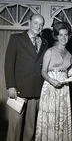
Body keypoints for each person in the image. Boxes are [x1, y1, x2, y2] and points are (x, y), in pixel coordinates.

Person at [4, 13, 48, 141]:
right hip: (18, 91)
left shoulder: (44, 42)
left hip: (36, 91)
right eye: (36, 23)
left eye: (41, 24)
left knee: (30, 128)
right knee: (15, 127)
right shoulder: (16, 38)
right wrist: (11, 86)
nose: (38, 27)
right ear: (29, 23)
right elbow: (9, 64)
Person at [35, 22, 72, 141]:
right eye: (60, 35)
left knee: (62, 117)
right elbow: (43, 71)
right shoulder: (49, 51)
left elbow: (67, 73)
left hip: (64, 89)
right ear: (56, 36)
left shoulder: (69, 54)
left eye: (66, 34)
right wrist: (52, 81)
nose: (63, 37)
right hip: (51, 87)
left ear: (69, 35)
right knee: (50, 117)